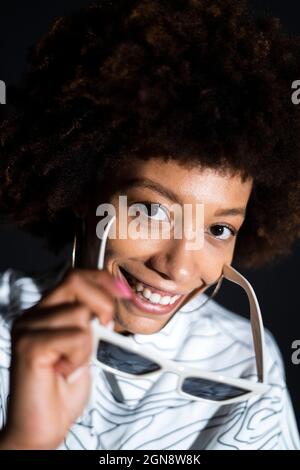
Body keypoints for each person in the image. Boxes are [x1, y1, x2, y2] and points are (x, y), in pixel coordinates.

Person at [0, 0, 299, 450]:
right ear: (85, 193)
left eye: (219, 230)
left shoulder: (245, 365)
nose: (178, 268)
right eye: (152, 212)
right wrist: (29, 439)